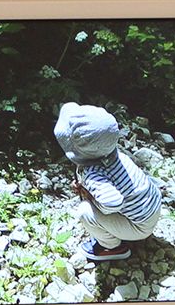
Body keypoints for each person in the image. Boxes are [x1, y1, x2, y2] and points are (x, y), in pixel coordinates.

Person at [53, 102, 162, 261]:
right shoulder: (113, 154)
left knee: (84, 210)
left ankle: (111, 247)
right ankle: (121, 230)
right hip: (151, 209)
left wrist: (90, 198)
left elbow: (112, 203)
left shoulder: (94, 174)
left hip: (140, 227)